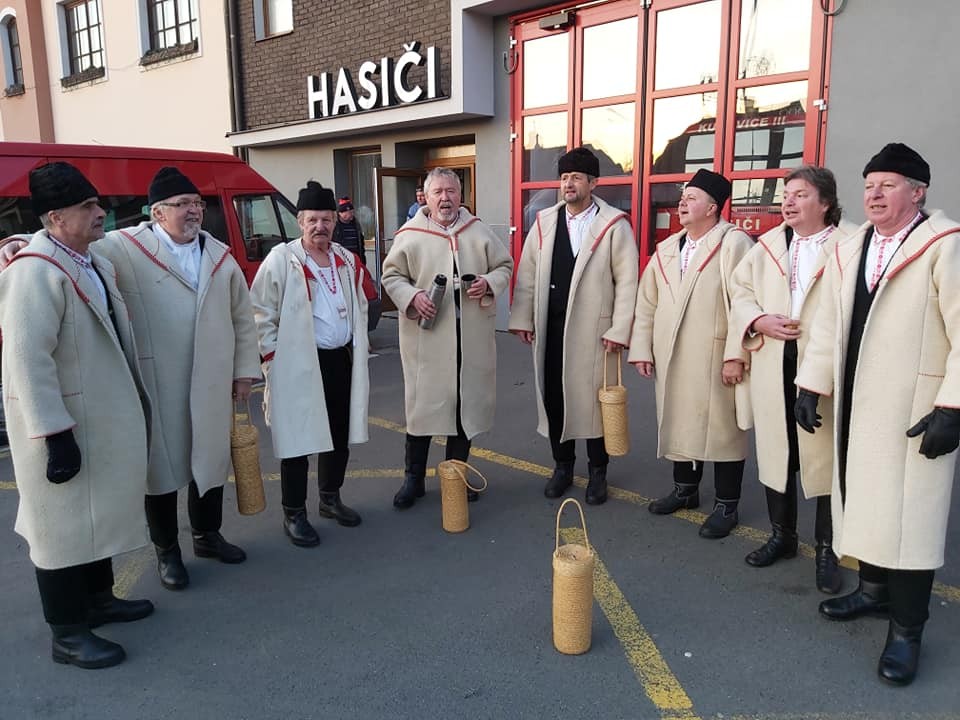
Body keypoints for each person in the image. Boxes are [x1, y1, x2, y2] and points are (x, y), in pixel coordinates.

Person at [3, 167, 264, 590]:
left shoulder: (219, 254)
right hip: (155, 383)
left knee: (210, 463)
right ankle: (167, 552)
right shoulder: (123, 246)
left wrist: (244, 372)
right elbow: (61, 243)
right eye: (182, 204)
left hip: (212, 381)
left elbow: (242, 317)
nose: (194, 211)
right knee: (160, 473)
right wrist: (14, 241)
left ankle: (207, 535)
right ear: (157, 213)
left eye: (197, 203)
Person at [795, 143, 960, 686]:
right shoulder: (851, 246)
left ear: (918, 192)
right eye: (869, 185)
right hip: (855, 404)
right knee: (863, 499)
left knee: (910, 521)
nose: (875, 194)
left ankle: (907, 631)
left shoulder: (944, 245)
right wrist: (811, 384)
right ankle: (872, 592)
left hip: (914, 409)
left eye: (888, 185)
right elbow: (826, 322)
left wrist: (953, 406)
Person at [0, 162, 153, 668]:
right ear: (54, 218)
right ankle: (66, 632)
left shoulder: (89, 259)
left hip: (96, 419)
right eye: (86, 206)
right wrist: (54, 434)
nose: (100, 211)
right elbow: (27, 360)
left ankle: (98, 600)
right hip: (62, 425)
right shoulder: (34, 272)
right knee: (60, 529)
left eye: (96, 202)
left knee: (94, 514)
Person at [729, 166, 855, 591]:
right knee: (776, 450)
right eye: (786, 194)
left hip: (825, 364)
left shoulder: (850, 244)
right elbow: (740, 291)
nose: (788, 202)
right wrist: (758, 319)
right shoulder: (767, 245)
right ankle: (782, 536)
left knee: (823, 457)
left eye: (800, 194)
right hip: (773, 361)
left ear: (825, 202)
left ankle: (827, 549)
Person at [509, 146, 638, 505]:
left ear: (593, 183)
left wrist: (620, 329)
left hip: (595, 332)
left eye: (576, 178)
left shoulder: (614, 225)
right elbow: (527, 274)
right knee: (555, 397)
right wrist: (523, 317)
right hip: (550, 328)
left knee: (595, 403)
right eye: (564, 177)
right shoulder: (544, 222)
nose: (568, 184)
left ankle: (598, 472)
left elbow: (628, 282)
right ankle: (562, 467)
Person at [628, 169, 753, 538]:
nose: (682, 203)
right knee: (679, 418)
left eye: (692, 198)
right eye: (683, 197)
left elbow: (746, 303)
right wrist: (642, 348)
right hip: (671, 353)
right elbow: (647, 303)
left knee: (724, 429)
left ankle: (727, 504)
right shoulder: (668, 248)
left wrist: (736, 355)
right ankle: (685, 490)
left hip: (714, 354)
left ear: (713, 208)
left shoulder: (734, 244)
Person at [382, 168, 513, 509]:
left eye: (451, 191)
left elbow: (504, 266)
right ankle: (413, 480)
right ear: (425, 197)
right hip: (427, 340)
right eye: (438, 192)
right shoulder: (410, 235)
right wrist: (412, 296)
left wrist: (488, 282)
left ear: (460, 195)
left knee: (463, 410)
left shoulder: (478, 230)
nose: (445, 198)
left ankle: (455, 477)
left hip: (470, 339)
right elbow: (391, 276)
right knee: (422, 410)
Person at [250, 181, 373, 545]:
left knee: (338, 435)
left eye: (327, 220)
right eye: (313, 220)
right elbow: (260, 312)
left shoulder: (345, 259)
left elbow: (360, 303)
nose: (321, 226)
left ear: (335, 221)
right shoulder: (281, 259)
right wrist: (273, 359)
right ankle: (294, 513)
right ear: (300, 222)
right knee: (298, 439)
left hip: (341, 360)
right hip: (298, 364)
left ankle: (330, 499)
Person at [333, 196, 366, 264]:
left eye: (352, 212)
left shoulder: (356, 225)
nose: (352, 214)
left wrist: (362, 260)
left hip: (356, 260)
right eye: (349, 212)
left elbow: (361, 244)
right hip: (341, 261)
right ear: (340, 213)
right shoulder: (334, 226)